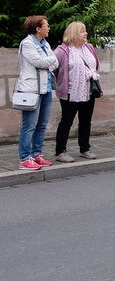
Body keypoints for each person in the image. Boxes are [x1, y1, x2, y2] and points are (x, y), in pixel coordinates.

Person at [15, 15, 59, 170]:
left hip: (46, 88)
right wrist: (49, 61)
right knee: (29, 125)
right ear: (38, 29)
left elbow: (56, 61)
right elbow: (39, 62)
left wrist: (48, 61)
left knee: (42, 125)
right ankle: (24, 159)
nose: (49, 28)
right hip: (31, 90)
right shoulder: (27, 43)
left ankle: (36, 155)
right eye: (46, 25)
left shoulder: (45, 43)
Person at [53, 21, 100, 162]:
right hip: (70, 92)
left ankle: (85, 148)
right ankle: (60, 151)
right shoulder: (62, 51)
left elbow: (95, 65)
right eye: (82, 31)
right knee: (66, 122)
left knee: (86, 121)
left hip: (88, 91)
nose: (85, 33)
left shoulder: (90, 48)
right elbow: (54, 69)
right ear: (73, 33)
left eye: (85, 30)